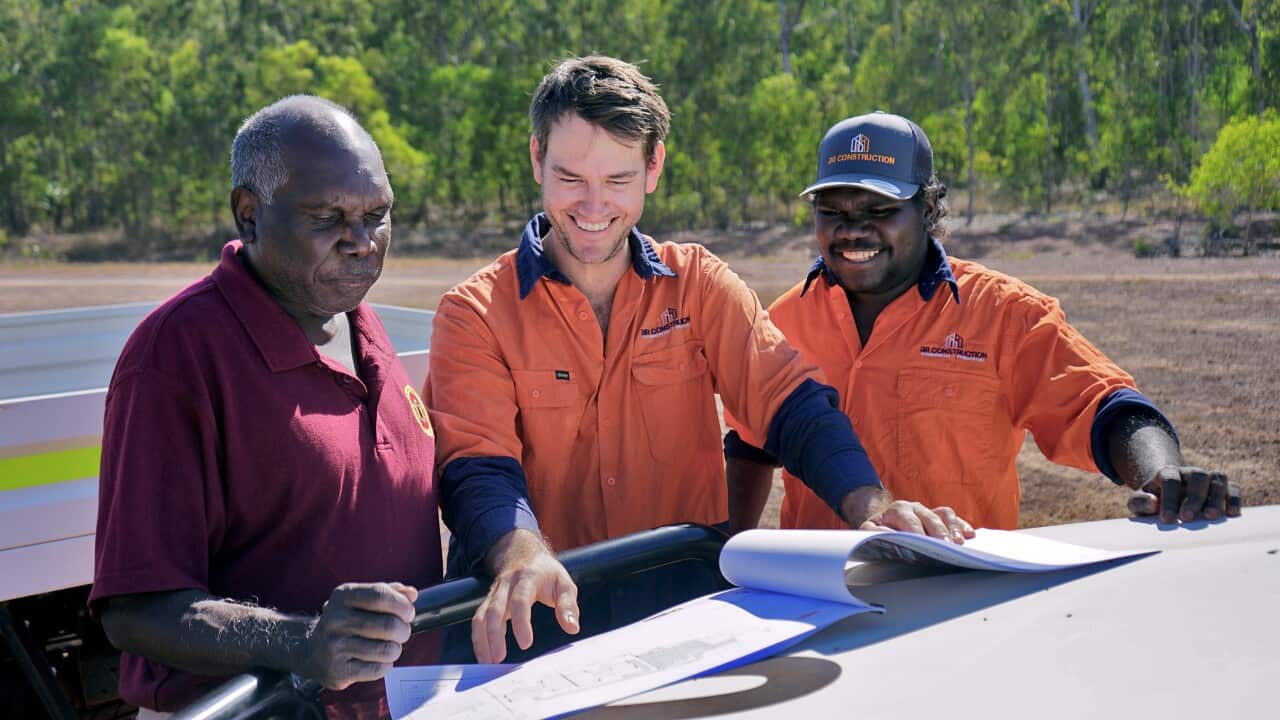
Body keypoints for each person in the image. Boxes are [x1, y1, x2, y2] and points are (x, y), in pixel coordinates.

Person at [424, 57, 974, 666]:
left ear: (654, 167)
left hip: (679, 618)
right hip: (537, 624)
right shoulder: (474, 312)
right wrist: (522, 555)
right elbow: (479, 467)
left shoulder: (699, 286)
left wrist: (869, 508)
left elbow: (790, 402)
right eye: (570, 177)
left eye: (618, 178)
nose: (593, 204)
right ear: (535, 159)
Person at [724, 111, 1242, 534]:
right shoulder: (784, 319)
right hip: (822, 599)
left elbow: (1104, 406)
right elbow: (750, 446)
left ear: (927, 211)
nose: (853, 231)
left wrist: (1159, 472)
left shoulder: (1004, 314)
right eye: (833, 212)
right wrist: (725, 554)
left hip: (966, 600)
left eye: (879, 209)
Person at [90, 95, 442, 719]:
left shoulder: (360, 324)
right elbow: (135, 609)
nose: (361, 241)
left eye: (377, 215)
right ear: (249, 215)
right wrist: (301, 643)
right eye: (327, 216)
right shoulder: (177, 356)